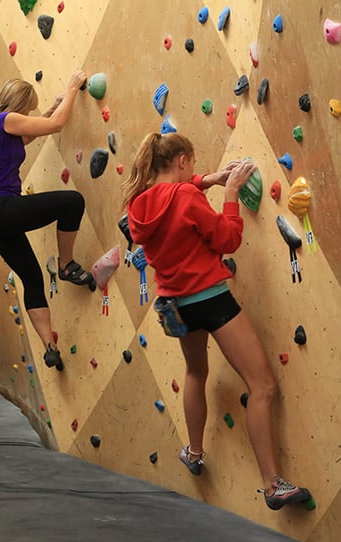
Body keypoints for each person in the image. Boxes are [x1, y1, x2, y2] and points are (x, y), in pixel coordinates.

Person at [123, 131, 311, 510]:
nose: (194, 171)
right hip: (211, 300)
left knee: (196, 374)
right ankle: (272, 485)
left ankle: (193, 453)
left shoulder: (137, 205)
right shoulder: (187, 197)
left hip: (175, 305)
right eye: (192, 164)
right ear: (181, 161)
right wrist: (229, 195)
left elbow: (176, 196)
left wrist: (208, 179)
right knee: (262, 387)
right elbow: (227, 240)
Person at [0, 74, 94, 372]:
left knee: (32, 277)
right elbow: (54, 127)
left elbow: (32, 132)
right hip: (1, 206)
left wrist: (53, 106)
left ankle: (49, 348)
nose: (27, 115)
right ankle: (66, 265)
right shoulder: (6, 119)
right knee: (72, 202)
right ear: (20, 104)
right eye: (28, 109)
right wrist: (70, 90)